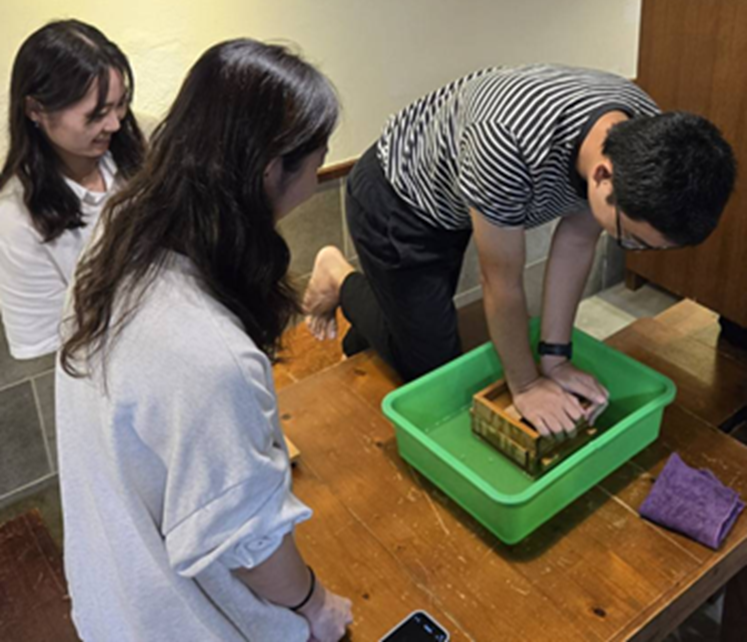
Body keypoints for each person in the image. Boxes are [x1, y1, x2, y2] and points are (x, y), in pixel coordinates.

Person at [57, 39, 353, 642]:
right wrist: (315, 605)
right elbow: (251, 542)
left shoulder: (122, 226)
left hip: (108, 583)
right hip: (174, 618)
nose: (323, 165)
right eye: (319, 153)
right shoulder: (207, 355)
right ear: (272, 169)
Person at [303, 63, 736, 437]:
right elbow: (502, 281)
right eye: (631, 238)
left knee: (413, 317)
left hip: (460, 194)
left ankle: (371, 328)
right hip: (399, 199)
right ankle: (339, 276)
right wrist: (526, 386)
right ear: (603, 175)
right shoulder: (507, 144)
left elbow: (578, 239)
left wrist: (556, 360)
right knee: (429, 367)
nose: (633, 249)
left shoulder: (643, 131)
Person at [0, 19, 145, 360]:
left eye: (120, 104)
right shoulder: (15, 219)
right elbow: (55, 346)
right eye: (95, 115)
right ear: (35, 110)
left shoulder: (139, 142)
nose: (114, 124)